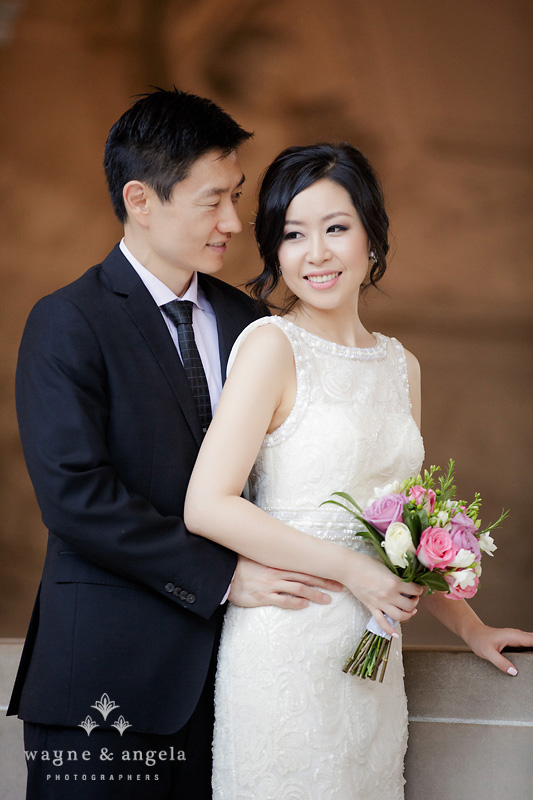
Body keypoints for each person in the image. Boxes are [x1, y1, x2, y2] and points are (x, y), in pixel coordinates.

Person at [8, 90, 340, 800]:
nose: (231, 223)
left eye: (237, 197)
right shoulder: (68, 321)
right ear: (140, 199)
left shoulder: (258, 324)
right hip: (105, 686)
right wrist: (222, 577)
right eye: (212, 200)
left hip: (244, 689)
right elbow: (76, 497)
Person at [184, 142, 533, 798]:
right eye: (292, 234)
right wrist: (351, 570)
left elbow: (406, 533)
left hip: (371, 665)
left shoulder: (402, 367)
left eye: (335, 228)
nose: (315, 253)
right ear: (275, 252)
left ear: (371, 238)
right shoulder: (269, 346)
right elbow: (207, 504)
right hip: (285, 649)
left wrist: (471, 626)